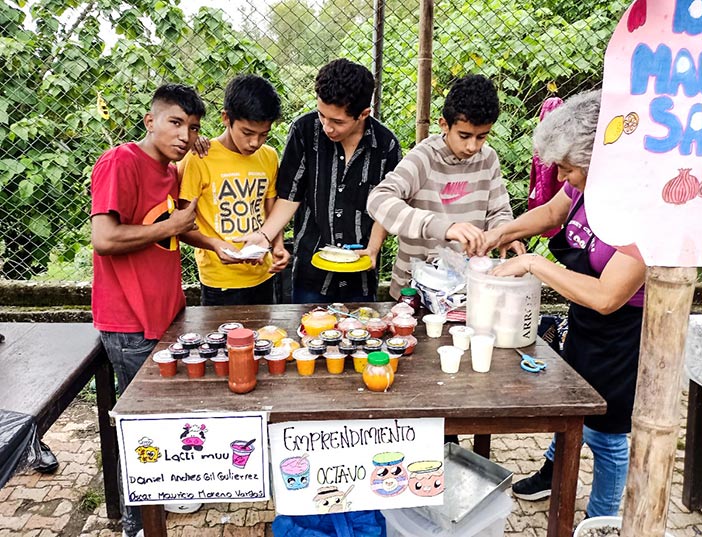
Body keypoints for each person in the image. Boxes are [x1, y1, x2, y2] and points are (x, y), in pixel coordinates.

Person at [480, 90, 646, 519]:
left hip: (623, 334)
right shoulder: (584, 189)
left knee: (607, 434)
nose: (563, 176)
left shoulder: (641, 208)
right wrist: (498, 233)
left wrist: (534, 263)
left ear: (600, 161)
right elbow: (553, 213)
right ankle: (555, 472)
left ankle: (602, 518)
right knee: (571, 403)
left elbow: (608, 297)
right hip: (584, 321)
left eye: (569, 168)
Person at [90, 83, 207, 537]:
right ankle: (137, 524)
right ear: (150, 121)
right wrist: (177, 222)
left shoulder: (171, 170)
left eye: (192, 127)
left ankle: (168, 489)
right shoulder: (121, 162)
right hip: (129, 321)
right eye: (175, 122)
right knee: (139, 427)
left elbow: (171, 227)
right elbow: (105, 239)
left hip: (165, 314)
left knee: (164, 416)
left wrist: (221, 245)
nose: (183, 135)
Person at [237, 58, 403, 303]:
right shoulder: (304, 131)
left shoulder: (385, 145)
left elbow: (387, 204)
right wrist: (264, 235)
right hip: (310, 272)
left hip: (360, 271)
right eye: (322, 115)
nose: (327, 127)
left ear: (363, 114)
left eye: (337, 122)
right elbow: (289, 195)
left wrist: (373, 249)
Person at [367, 74, 524, 299]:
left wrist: (504, 233)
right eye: (464, 135)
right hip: (413, 294)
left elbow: (499, 211)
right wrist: (443, 227)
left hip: (466, 290)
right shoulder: (424, 157)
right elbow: (378, 199)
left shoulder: (488, 159)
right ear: (444, 124)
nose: (472, 146)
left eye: (482, 137)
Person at [178, 74, 290, 305]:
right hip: (220, 280)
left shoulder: (268, 156)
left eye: (264, 134)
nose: (255, 143)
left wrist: (277, 246)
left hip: (263, 273)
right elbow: (181, 225)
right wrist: (214, 245)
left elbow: (272, 210)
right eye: (247, 133)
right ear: (226, 118)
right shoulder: (199, 158)